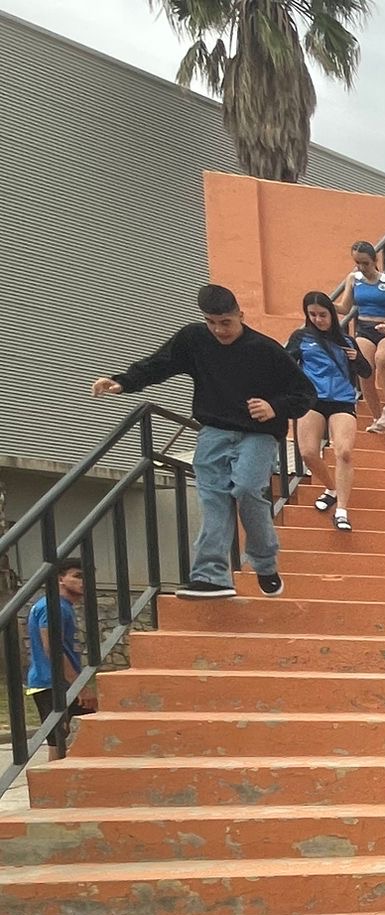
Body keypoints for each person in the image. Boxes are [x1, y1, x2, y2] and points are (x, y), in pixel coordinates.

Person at [92, 284, 310, 600]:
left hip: (258, 434)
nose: (219, 330)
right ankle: (211, 577)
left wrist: (275, 406)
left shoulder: (266, 350)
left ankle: (264, 564)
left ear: (240, 316)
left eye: (226, 323)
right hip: (213, 431)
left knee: (247, 489)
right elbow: (160, 364)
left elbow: (305, 393)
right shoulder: (194, 339)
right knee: (213, 499)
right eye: (211, 322)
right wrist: (122, 382)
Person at [283, 292, 361, 532]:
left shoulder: (347, 341)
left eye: (323, 314)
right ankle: (332, 488)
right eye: (313, 315)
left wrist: (356, 359)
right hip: (312, 399)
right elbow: (286, 365)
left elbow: (366, 371)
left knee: (344, 451)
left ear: (332, 314)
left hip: (342, 400)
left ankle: (342, 511)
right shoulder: (301, 337)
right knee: (307, 452)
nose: (318, 319)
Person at [26, 558, 91, 760]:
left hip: (59, 682)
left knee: (72, 740)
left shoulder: (62, 606)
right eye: (77, 576)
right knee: (59, 742)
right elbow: (52, 648)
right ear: (60, 579)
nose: (84, 581)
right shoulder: (53, 606)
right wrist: (79, 686)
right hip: (52, 683)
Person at [339, 241, 385, 433]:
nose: (361, 267)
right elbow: (345, 308)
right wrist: (324, 304)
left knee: (382, 358)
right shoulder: (353, 279)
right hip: (365, 327)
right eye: (357, 263)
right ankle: (377, 417)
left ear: (375, 260)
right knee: (364, 368)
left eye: (365, 263)